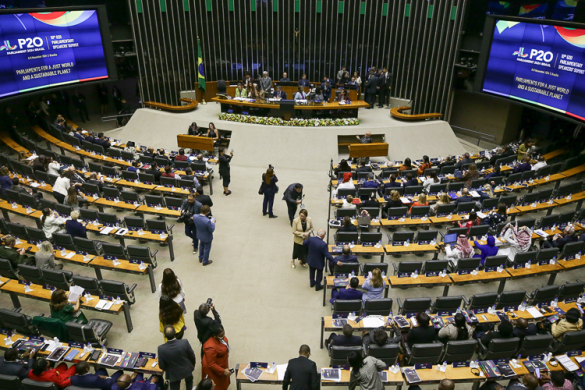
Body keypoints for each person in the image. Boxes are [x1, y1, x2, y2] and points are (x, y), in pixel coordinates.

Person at [158, 325, 196, 390]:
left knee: (174, 387)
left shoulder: (161, 349)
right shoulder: (184, 342)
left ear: (165, 336)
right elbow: (192, 356)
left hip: (173, 374)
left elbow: (162, 366)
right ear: (175, 333)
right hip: (186, 369)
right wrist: (192, 365)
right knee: (189, 381)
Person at [202, 324, 232, 390]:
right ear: (214, 336)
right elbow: (211, 364)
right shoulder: (210, 347)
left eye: (223, 334)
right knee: (218, 386)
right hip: (216, 370)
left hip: (222, 363)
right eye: (221, 336)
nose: (223, 337)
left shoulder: (221, 338)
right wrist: (223, 371)